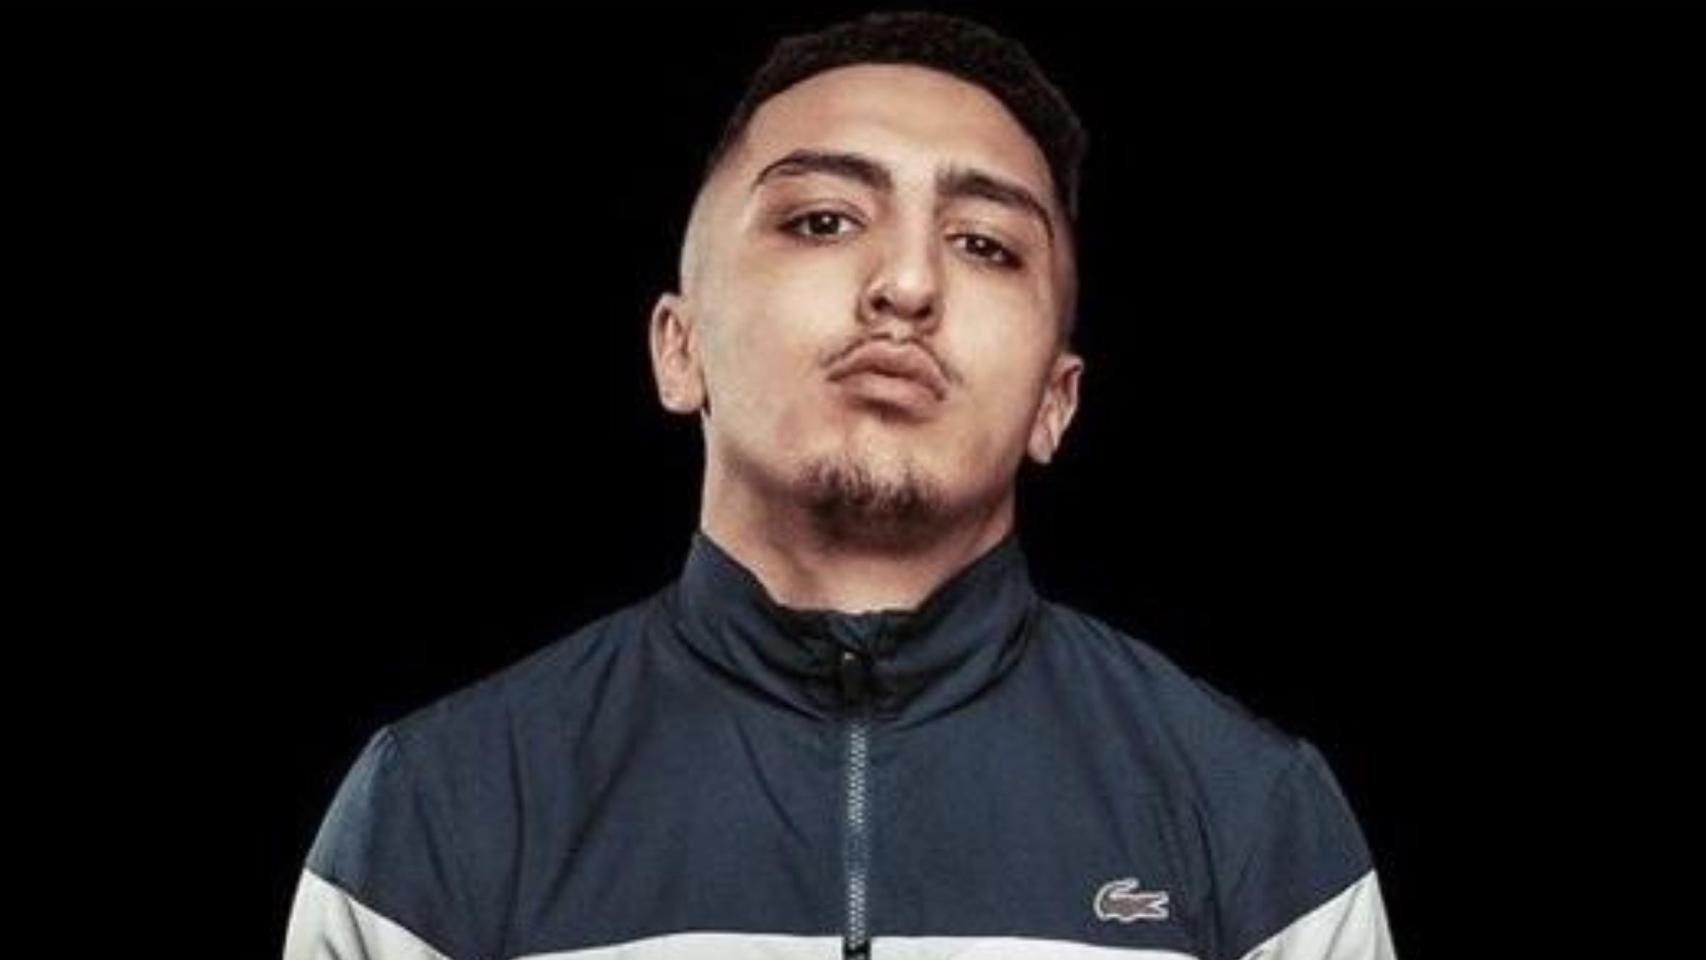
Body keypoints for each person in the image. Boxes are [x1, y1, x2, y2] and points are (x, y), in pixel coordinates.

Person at [284, 11, 1398, 960]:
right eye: (823, 220)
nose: (906, 284)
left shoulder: (1255, 818)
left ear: (1055, 403)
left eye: (984, 244)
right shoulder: (441, 807)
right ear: (680, 347)